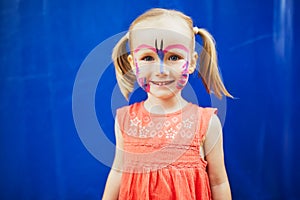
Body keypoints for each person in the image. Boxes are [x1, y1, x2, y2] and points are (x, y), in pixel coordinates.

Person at [102, 8, 232, 200]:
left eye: (174, 57)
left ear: (192, 61)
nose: (161, 70)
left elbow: (218, 182)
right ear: (132, 63)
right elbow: (118, 171)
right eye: (147, 58)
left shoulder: (206, 124)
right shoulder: (125, 120)